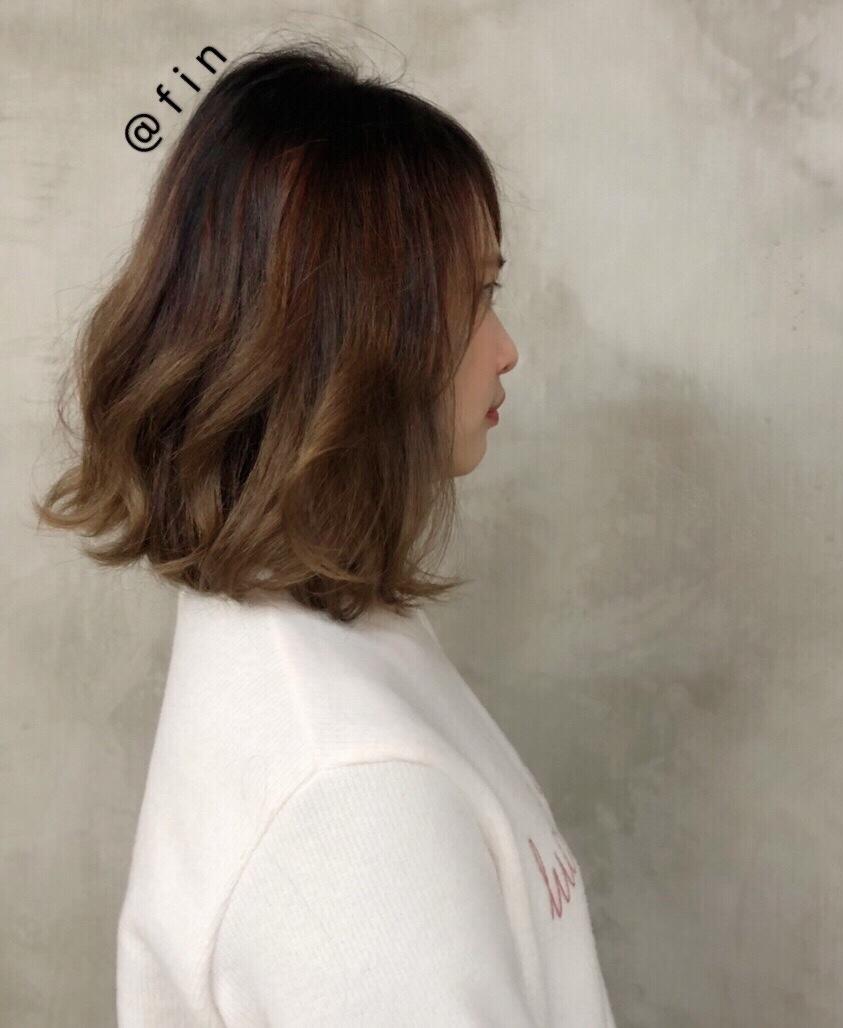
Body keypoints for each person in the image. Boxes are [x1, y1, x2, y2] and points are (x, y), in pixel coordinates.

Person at [33, 39, 617, 1026]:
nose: (507, 348)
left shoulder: (318, 643)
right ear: (357, 337)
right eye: (477, 297)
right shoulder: (352, 804)